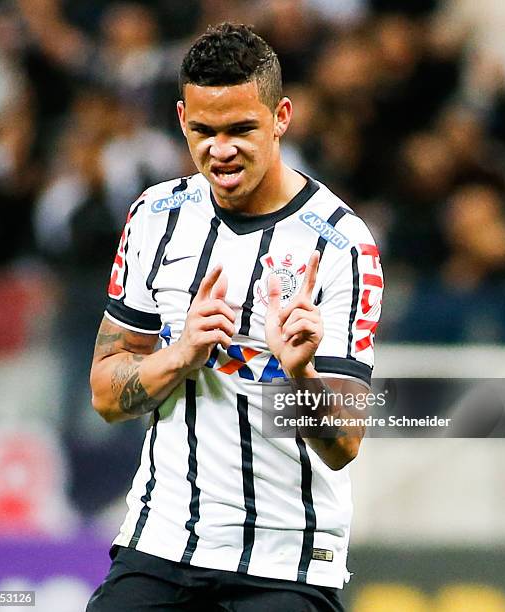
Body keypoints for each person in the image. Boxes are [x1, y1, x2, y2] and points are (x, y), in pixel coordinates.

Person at [86, 23, 383, 612]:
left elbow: (345, 442)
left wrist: (298, 376)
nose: (220, 150)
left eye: (241, 129)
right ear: (180, 119)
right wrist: (181, 355)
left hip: (285, 559)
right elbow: (105, 394)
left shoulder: (342, 243)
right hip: (163, 539)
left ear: (281, 117)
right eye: (204, 130)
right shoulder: (156, 216)